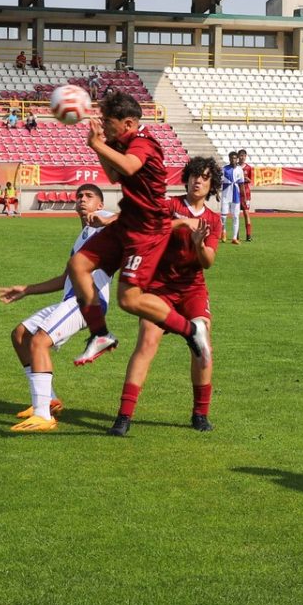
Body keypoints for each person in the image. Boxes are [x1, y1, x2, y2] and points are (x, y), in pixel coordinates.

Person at [65, 90, 212, 367]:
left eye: (108, 121)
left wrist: (97, 145)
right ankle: (100, 335)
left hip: (147, 230)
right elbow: (113, 174)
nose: (104, 124)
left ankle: (192, 330)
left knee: (129, 300)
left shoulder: (144, 143)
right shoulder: (122, 142)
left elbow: (130, 167)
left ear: (128, 124)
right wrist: (100, 144)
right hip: (127, 223)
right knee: (78, 265)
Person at [110, 156, 221, 436]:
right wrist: (181, 224)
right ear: (186, 178)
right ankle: (124, 416)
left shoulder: (213, 219)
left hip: (192, 288)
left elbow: (207, 261)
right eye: (195, 175)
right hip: (158, 287)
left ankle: (200, 414)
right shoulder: (169, 206)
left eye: (205, 177)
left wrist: (198, 245)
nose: (198, 181)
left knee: (203, 344)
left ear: (212, 185)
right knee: (147, 343)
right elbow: (148, 229)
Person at [0, 184, 120, 432]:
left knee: (39, 341)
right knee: (21, 335)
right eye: (79, 197)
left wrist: (107, 220)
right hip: (70, 300)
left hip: (87, 302)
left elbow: (127, 221)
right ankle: (49, 400)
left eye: (89, 196)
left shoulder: (106, 225)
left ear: (100, 204)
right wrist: (27, 289)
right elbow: (66, 278)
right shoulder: (82, 236)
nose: (82, 200)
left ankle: (43, 416)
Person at [218, 151, 247, 244]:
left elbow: (242, 184)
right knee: (223, 216)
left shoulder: (239, 170)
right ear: (229, 158)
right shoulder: (224, 169)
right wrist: (217, 193)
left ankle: (234, 238)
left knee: (236, 216)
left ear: (237, 159)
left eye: (235, 158)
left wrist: (244, 197)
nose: (233, 160)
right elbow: (219, 182)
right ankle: (224, 231)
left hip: (236, 196)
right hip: (226, 194)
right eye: (231, 158)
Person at [237, 148, 254, 241]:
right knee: (236, 214)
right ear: (238, 157)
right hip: (237, 193)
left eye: (244, 156)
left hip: (246, 194)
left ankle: (248, 235)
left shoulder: (248, 168)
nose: (242, 157)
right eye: (241, 156)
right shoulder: (235, 167)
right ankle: (237, 235)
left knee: (246, 213)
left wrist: (246, 179)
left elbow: (250, 180)